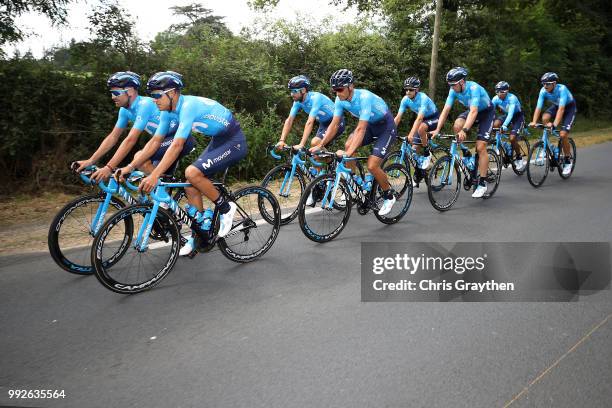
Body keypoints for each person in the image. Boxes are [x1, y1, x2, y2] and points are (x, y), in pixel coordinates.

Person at [137, 71, 248, 256]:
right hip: (218, 140)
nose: (154, 100)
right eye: (151, 96)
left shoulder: (188, 105)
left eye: (157, 95)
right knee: (190, 185)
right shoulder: (167, 111)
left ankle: (226, 208)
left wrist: (154, 175)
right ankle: (198, 233)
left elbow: (178, 144)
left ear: (172, 93)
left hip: (233, 141)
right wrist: (130, 167)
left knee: (192, 172)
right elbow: (155, 142)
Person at [310, 69, 398, 215]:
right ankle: (354, 182)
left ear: (350, 86)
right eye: (334, 90)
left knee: (372, 165)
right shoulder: (340, 99)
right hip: (370, 125)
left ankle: (389, 195)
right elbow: (334, 124)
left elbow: (361, 129)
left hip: (385, 127)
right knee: (347, 145)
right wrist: (321, 144)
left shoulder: (364, 97)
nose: (337, 93)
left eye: (340, 89)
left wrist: (348, 153)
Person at [76, 71, 193, 180]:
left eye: (116, 93)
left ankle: (164, 189)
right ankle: (167, 192)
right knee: (147, 167)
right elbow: (113, 137)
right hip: (164, 141)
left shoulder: (145, 104)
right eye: (111, 93)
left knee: (139, 158)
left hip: (180, 140)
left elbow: (130, 140)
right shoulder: (124, 110)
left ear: (130, 91)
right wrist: (91, 161)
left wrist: (109, 167)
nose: (112, 97)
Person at [432, 67, 495, 198]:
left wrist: (465, 130)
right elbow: (445, 110)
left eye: (453, 85)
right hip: (474, 111)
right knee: (457, 125)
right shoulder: (453, 90)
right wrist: (437, 128)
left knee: (481, 147)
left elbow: (473, 111)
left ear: (462, 82)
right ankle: (466, 152)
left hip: (485, 113)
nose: (452, 87)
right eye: (450, 85)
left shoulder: (474, 89)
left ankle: (482, 183)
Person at [394, 76, 439, 186]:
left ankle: (427, 152)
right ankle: (419, 173)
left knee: (421, 128)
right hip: (422, 120)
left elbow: (419, 119)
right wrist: (390, 131)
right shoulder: (405, 99)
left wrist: (410, 134)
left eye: (411, 90)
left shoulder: (423, 98)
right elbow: (398, 117)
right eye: (406, 89)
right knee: (413, 149)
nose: (408, 92)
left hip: (433, 118)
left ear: (417, 90)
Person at [528, 72, 576, 176]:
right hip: (556, 106)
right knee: (545, 117)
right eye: (543, 84)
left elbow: (562, 109)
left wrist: (554, 124)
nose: (545, 86)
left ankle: (567, 160)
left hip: (569, 108)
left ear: (554, 83)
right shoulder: (543, 91)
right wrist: (534, 121)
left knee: (563, 135)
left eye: (547, 84)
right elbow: (538, 107)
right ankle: (548, 146)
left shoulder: (562, 89)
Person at [491, 81, 526, 170]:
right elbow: (490, 112)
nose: (499, 94)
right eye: (497, 92)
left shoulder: (512, 98)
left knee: (512, 138)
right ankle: (500, 144)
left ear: (507, 91)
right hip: (506, 115)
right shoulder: (495, 99)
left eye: (502, 92)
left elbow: (511, 114)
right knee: (495, 125)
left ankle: (519, 157)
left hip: (517, 116)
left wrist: (505, 125)